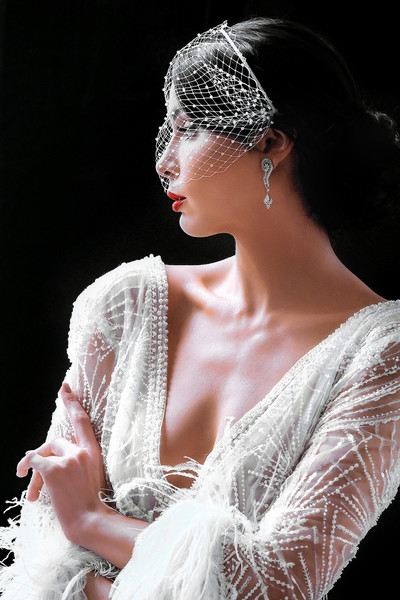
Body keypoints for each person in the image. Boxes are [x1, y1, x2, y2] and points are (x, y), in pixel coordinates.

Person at [1, 17, 400, 600]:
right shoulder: (124, 308)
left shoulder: (382, 356)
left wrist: (92, 522)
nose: (165, 161)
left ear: (271, 141)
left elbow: (280, 584)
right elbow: (44, 555)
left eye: (187, 130)